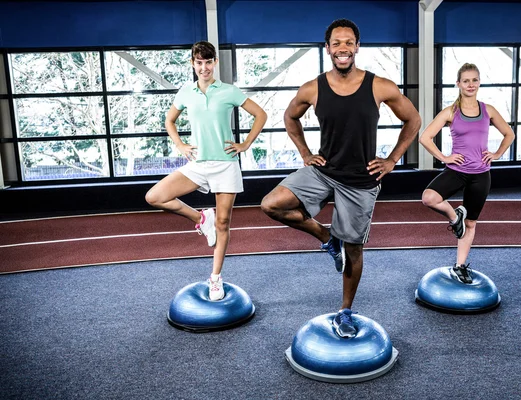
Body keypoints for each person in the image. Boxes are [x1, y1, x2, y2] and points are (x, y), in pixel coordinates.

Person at [260, 19, 421, 338]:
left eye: (349, 42)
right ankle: (326, 237)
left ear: (357, 47)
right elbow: (290, 117)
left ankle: (345, 311)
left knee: (354, 252)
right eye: (336, 43)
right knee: (271, 205)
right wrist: (305, 153)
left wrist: (391, 159)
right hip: (323, 171)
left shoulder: (379, 86)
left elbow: (413, 119)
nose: (343, 48)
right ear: (328, 48)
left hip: (360, 181)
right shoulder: (312, 88)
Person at [145, 41, 267, 301]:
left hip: (225, 165)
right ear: (192, 64)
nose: (204, 67)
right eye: (199, 62)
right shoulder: (186, 92)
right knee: (154, 196)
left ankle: (215, 279)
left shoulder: (229, 91)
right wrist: (179, 144)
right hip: (198, 164)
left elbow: (261, 115)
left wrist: (245, 144)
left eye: (208, 62)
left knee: (223, 223)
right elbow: (169, 120)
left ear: (215, 63)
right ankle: (201, 219)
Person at [419, 63, 515, 284]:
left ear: (479, 82)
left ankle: (460, 265)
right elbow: (425, 137)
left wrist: (498, 153)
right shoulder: (450, 112)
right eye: (466, 80)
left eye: (474, 80)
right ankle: (455, 217)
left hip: (481, 174)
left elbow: (508, 133)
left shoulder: (488, 110)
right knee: (429, 198)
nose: (470, 84)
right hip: (456, 170)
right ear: (458, 84)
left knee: (471, 223)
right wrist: (444, 157)